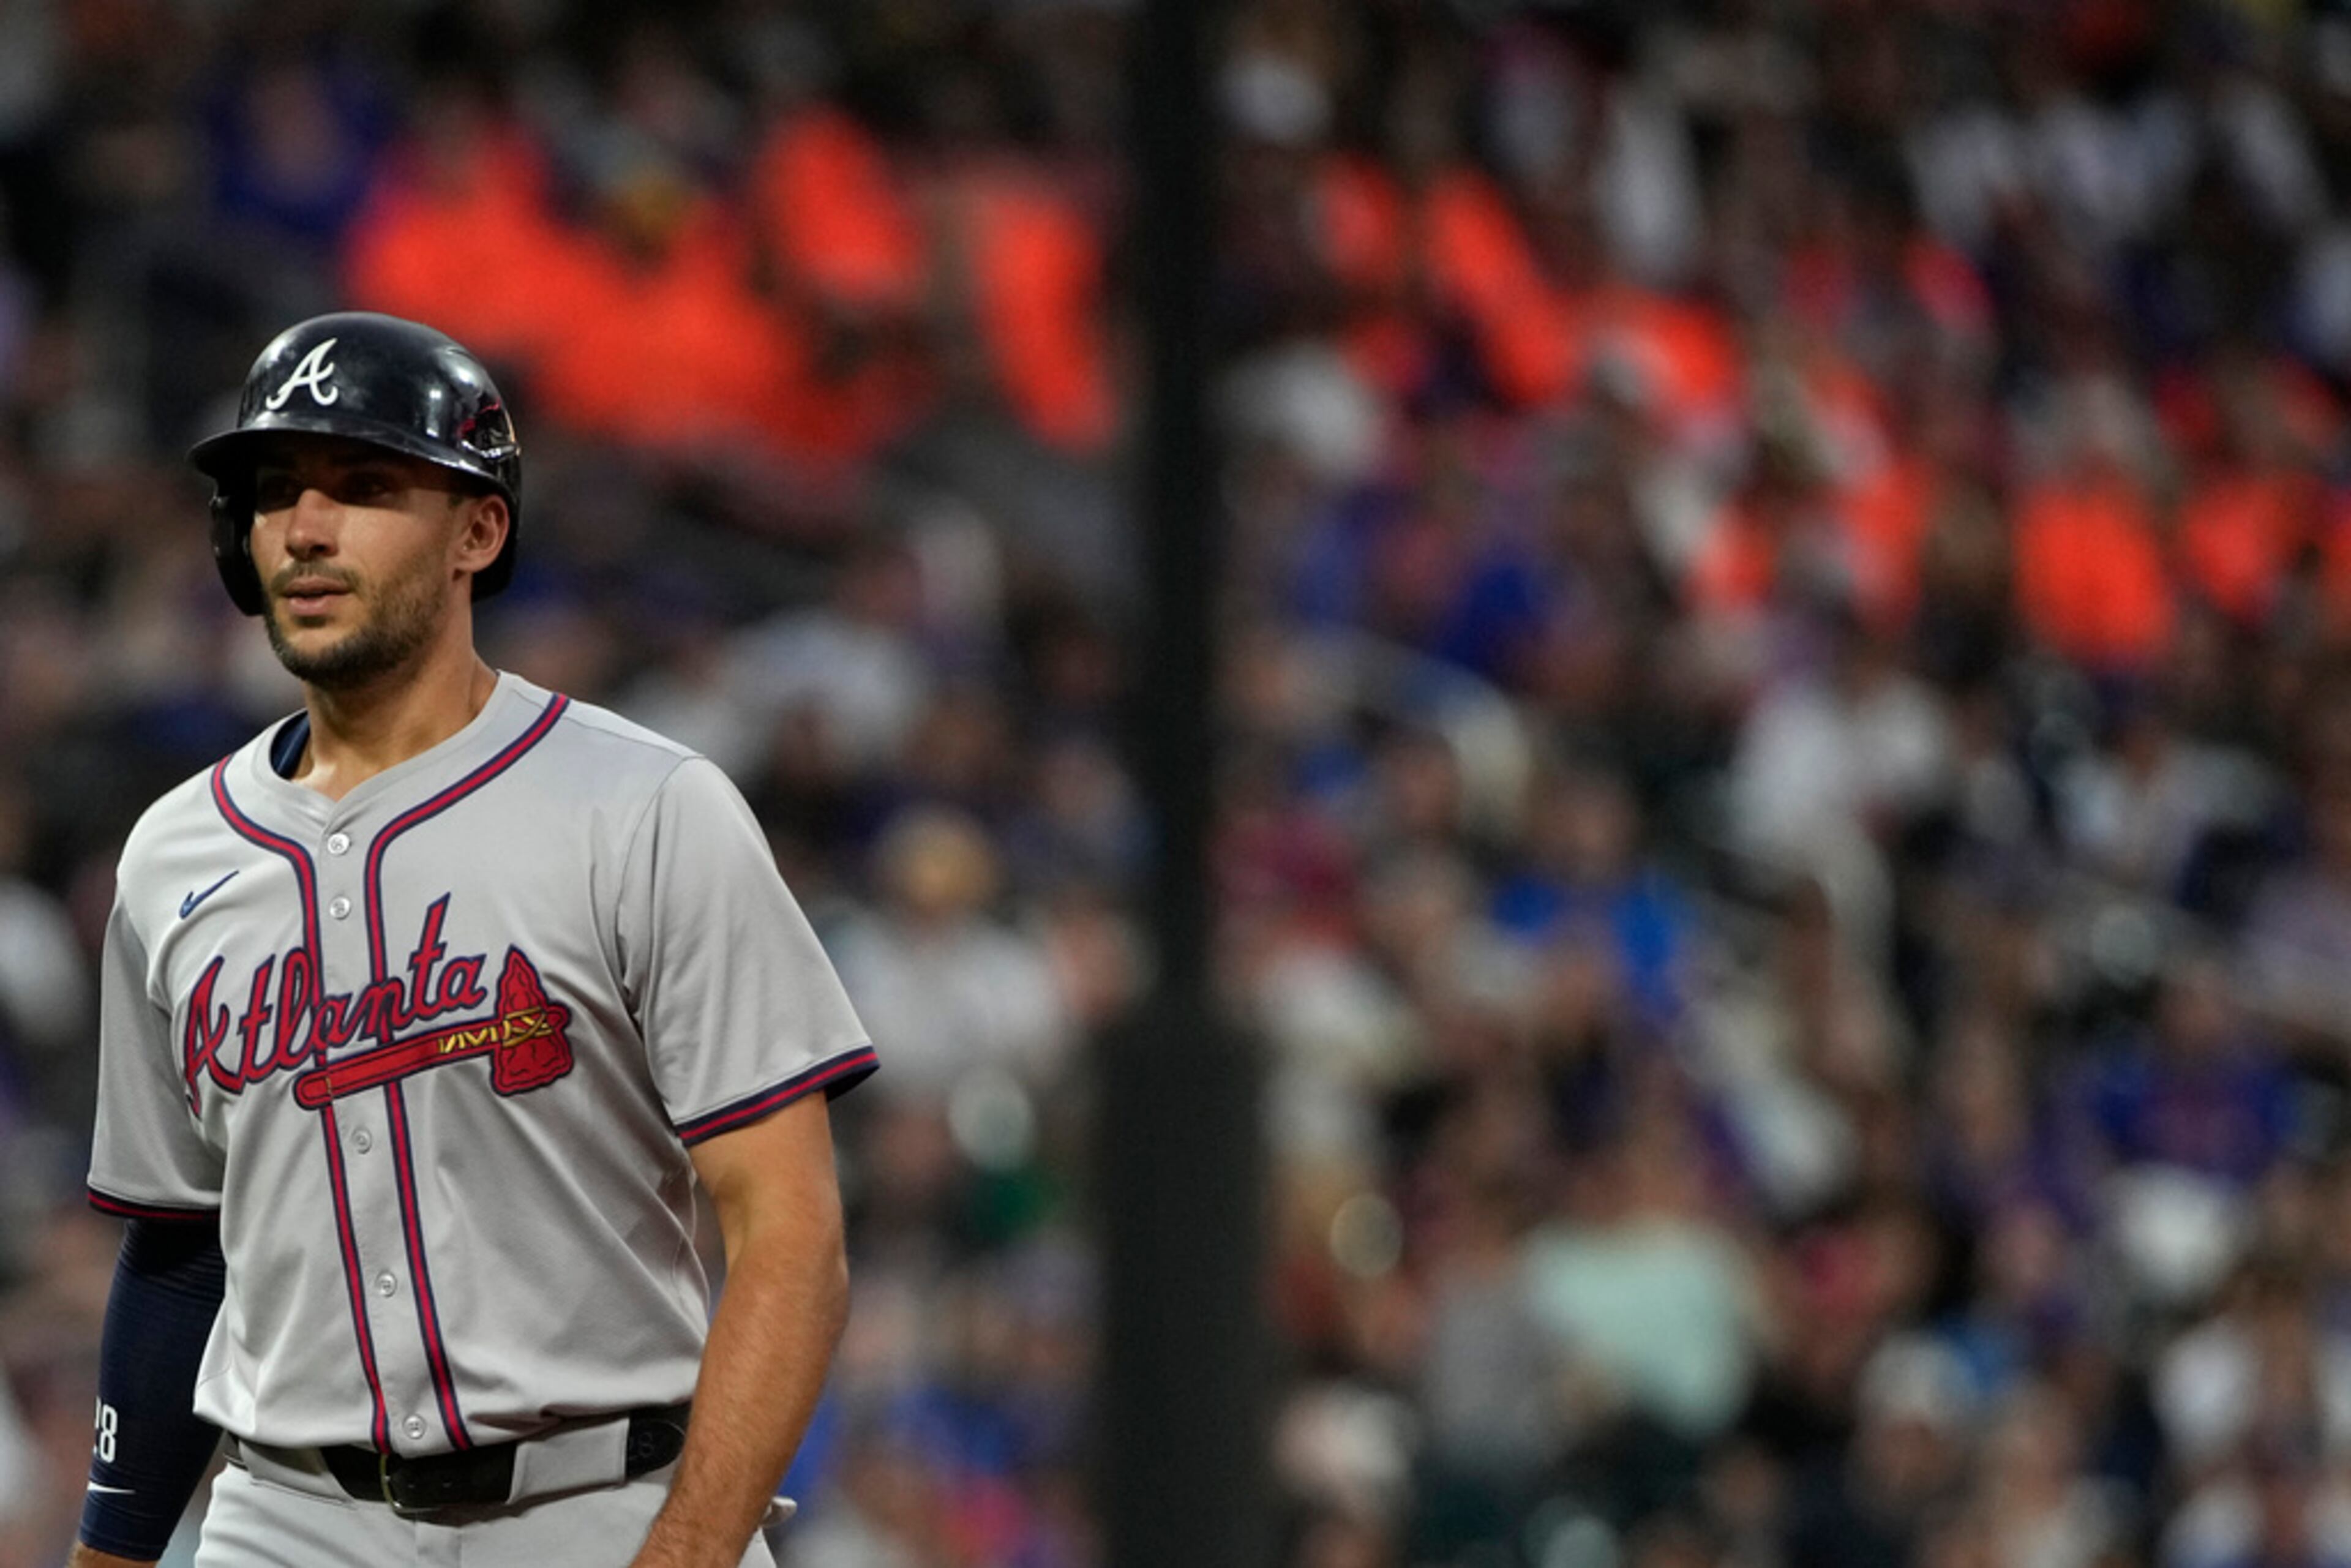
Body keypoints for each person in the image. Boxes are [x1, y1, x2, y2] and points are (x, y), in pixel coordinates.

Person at [68, 312, 878, 1566]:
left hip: (596, 1507)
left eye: (366, 486)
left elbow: (791, 1237)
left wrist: (685, 1556)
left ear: (478, 530)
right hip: (285, 1517)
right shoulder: (176, 854)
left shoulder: (646, 807)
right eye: (276, 491)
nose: (309, 527)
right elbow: (179, 1252)